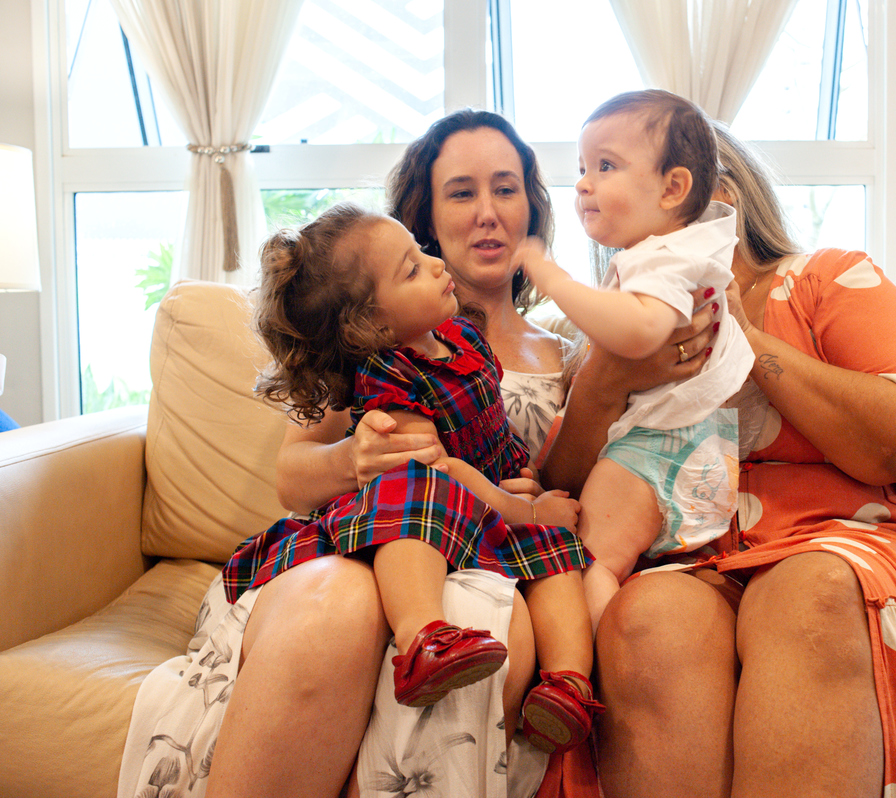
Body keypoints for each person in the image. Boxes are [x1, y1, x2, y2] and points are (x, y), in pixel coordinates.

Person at [117, 108, 719, 798]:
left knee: (493, 616)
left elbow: (560, 498)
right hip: (374, 546)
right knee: (342, 605)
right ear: (425, 217)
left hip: (492, 549)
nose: (488, 211)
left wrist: (601, 390)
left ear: (531, 206)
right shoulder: (376, 336)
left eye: (506, 188)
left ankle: (544, 684)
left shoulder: (574, 349)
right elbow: (292, 478)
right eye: (462, 192)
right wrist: (355, 459)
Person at [576, 124, 896, 798]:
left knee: (809, 592)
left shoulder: (828, 279)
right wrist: (602, 379)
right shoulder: (615, 333)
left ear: (716, 200)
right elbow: (571, 493)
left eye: (617, 176)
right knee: (647, 618)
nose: (591, 193)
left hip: (852, 548)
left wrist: (747, 341)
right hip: (692, 564)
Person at [220, 202, 602, 751]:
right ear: (372, 323)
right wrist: (527, 509)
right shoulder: (386, 375)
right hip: (439, 505)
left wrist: (526, 482)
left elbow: (489, 426)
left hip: (487, 500)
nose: (436, 263)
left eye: (421, 253)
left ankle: (567, 685)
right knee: (413, 502)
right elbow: (440, 471)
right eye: (413, 268)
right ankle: (424, 637)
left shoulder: (461, 336)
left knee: (555, 557)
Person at [515, 90, 754, 627]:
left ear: (672, 188)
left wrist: (553, 278)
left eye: (605, 166)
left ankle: (586, 663)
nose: (583, 183)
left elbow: (640, 331)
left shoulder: (663, 258)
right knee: (606, 570)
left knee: (588, 569)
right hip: (680, 450)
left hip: (651, 454)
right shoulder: (672, 253)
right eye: (582, 168)